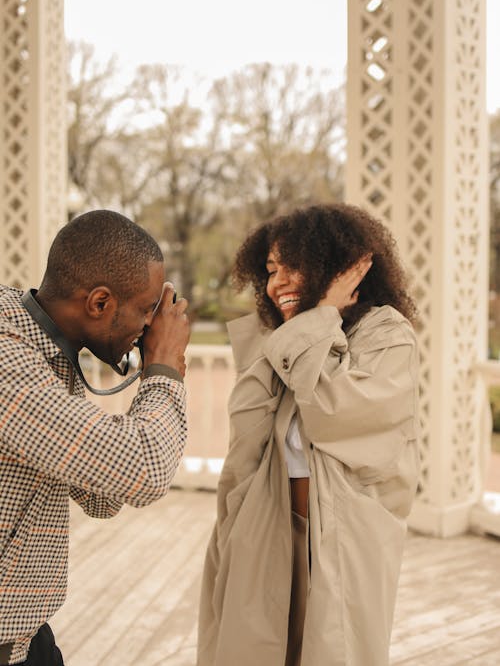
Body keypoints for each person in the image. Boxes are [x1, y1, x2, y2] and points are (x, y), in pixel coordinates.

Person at [197, 203, 420, 666]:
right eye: (271, 270)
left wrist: (321, 318)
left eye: (292, 265)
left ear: (336, 266)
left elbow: (335, 413)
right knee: (254, 649)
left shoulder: (385, 334)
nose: (276, 282)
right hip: (266, 522)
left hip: (342, 533)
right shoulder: (278, 339)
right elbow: (246, 433)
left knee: (329, 651)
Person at [0, 210, 190, 666]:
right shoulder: (8, 358)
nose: (151, 328)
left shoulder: (44, 349)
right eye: (147, 310)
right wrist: (163, 367)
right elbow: (144, 471)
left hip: (26, 636)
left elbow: (102, 496)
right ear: (100, 303)